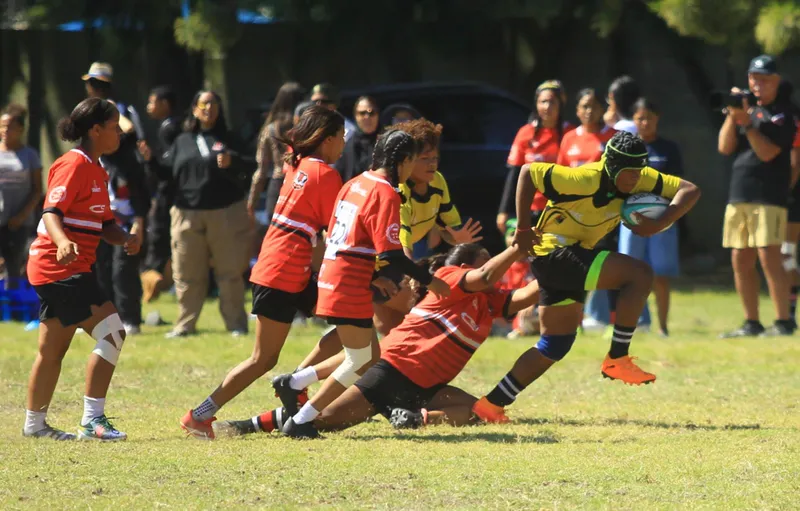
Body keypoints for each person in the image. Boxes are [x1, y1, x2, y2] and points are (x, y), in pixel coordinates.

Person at [472, 131, 701, 423]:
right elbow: (528, 173)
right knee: (639, 274)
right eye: (629, 173)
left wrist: (661, 222)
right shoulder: (584, 179)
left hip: (571, 255)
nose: (635, 179)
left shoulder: (641, 177)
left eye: (638, 171)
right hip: (553, 253)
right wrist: (523, 230)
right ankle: (618, 357)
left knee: (555, 343)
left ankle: (491, 405)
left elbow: (690, 190)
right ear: (611, 166)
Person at [217, 243, 541, 437]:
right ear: (467, 266)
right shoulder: (450, 278)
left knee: (478, 411)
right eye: (486, 262)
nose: (495, 274)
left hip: (425, 389)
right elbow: (485, 275)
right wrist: (517, 247)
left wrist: (556, 265)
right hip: (392, 371)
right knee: (321, 421)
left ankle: (415, 419)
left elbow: (526, 296)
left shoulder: (488, 301)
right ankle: (246, 426)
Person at [180, 106, 346, 439]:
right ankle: (199, 415)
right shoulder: (325, 175)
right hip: (283, 273)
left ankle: (296, 383)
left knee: (350, 324)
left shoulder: (296, 163)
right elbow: (334, 233)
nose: (343, 145)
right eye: (341, 138)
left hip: (282, 267)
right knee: (262, 359)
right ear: (326, 141)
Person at [280, 129, 451, 439]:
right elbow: (391, 253)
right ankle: (303, 418)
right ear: (403, 161)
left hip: (335, 275)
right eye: (413, 162)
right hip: (349, 282)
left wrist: (376, 277)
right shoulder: (385, 192)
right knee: (361, 359)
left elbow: (339, 236)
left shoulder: (354, 183)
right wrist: (430, 281)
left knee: (367, 353)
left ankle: (294, 383)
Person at [24, 98, 141, 441]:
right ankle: (92, 422)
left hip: (65, 269)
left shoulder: (97, 169)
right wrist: (61, 242)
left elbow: (105, 224)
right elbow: (51, 212)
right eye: (114, 124)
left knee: (52, 351)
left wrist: (125, 238)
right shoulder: (74, 164)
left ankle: (34, 425)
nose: (119, 131)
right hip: (59, 267)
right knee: (113, 333)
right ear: (95, 129)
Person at [718, 55, 797, 337]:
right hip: (740, 192)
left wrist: (749, 125)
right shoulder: (746, 109)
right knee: (740, 258)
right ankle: (751, 322)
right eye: (753, 78)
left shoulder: (784, 114)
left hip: (769, 194)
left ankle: (783, 321)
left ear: (776, 81)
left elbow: (768, 153)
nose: (757, 84)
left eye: (764, 79)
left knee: (769, 258)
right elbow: (725, 148)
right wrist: (733, 117)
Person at [166, 90, 253, 338]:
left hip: (225, 212)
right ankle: (185, 325)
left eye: (213, 103)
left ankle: (236, 324)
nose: (208, 108)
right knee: (186, 273)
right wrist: (150, 160)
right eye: (203, 104)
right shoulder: (182, 141)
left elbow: (251, 165)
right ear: (194, 109)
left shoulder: (231, 139)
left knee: (230, 273)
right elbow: (167, 174)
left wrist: (233, 160)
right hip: (186, 213)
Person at [83, 62, 149, 335]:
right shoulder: (91, 158)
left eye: (98, 85)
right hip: (98, 210)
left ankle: (130, 318)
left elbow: (131, 131)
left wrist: (111, 108)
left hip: (124, 207)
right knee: (99, 266)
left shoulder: (123, 109)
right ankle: (100, 319)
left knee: (124, 269)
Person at [618, 98, 684, 336]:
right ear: (633, 121)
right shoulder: (626, 149)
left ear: (658, 119)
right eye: (640, 118)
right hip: (630, 220)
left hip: (662, 220)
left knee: (661, 275)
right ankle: (630, 324)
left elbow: (678, 186)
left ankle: (663, 327)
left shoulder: (669, 149)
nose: (645, 123)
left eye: (650, 118)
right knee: (627, 273)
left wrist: (663, 214)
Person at [498, 80, 574, 233]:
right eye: (543, 102)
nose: (547, 107)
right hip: (529, 209)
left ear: (561, 104)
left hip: (562, 210)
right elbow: (514, 174)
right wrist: (503, 211)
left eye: (552, 102)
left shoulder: (572, 133)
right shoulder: (525, 133)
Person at [139, 85, 181, 303]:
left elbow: (168, 165)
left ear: (164, 104)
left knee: (158, 235)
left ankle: (153, 276)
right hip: (172, 193)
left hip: (169, 193)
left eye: (152, 101)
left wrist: (151, 160)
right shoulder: (172, 126)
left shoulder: (169, 128)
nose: (149, 107)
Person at [247, 82, 306, 226]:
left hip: (278, 186)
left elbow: (261, 170)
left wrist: (252, 202)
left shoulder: (271, 129)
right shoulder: (307, 127)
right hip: (303, 183)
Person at [0, 104, 42, 284]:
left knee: (13, 267)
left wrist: (21, 216)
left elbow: (37, 189)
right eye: (2, 126)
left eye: (10, 127)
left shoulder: (30, 155)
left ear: (21, 129)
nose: (5, 130)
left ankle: (11, 309)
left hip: (19, 222)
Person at [778, 81, 800, 328]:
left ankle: (789, 314)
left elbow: (795, 163)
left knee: (786, 254)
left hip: (790, 198)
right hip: (787, 196)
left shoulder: (788, 118)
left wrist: (784, 192)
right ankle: (789, 312)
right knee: (786, 255)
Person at [557, 88, 616, 168]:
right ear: (577, 110)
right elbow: (561, 172)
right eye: (585, 106)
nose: (589, 111)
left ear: (602, 110)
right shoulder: (569, 138)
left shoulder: (615, 137)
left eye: (594, 106)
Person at [335, 96, 380, 182]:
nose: (367, 117)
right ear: (355, 116)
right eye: (362, 113)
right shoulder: (347, 145)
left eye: (372, 113)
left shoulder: (386, 143)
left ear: (378, 115)